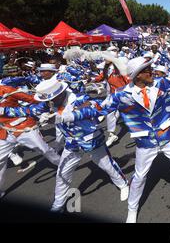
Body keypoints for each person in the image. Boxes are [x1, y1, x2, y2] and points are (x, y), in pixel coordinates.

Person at [63, 57, 170, 223]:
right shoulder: (121, 95)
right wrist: (73, 114)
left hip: (167, 136)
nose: (152, 71)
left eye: (151, 68)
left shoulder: (162, 82)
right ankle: (132, 209)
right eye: (147, 70)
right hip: (145, 142)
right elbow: (100, 109)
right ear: (137, 75)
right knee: (140, 177)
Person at [0, 78, 129, 211]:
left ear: (60, 94)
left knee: (107, 165)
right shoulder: (49, 104)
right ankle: (58, 204)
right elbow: (29, 110)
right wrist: (4, 112)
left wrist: (61, 118)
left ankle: (123, 184)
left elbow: (93, 110)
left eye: (52, 99)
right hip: (71, 143)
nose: (49, 103)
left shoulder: (79, 98)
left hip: (91, 140)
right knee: (62, 173)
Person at [0, 85, 60, 199]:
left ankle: (63, 165)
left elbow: (32, 99)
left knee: (44, 149)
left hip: (23, 127)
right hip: (4, 132)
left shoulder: (6, 90)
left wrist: (42, 109)